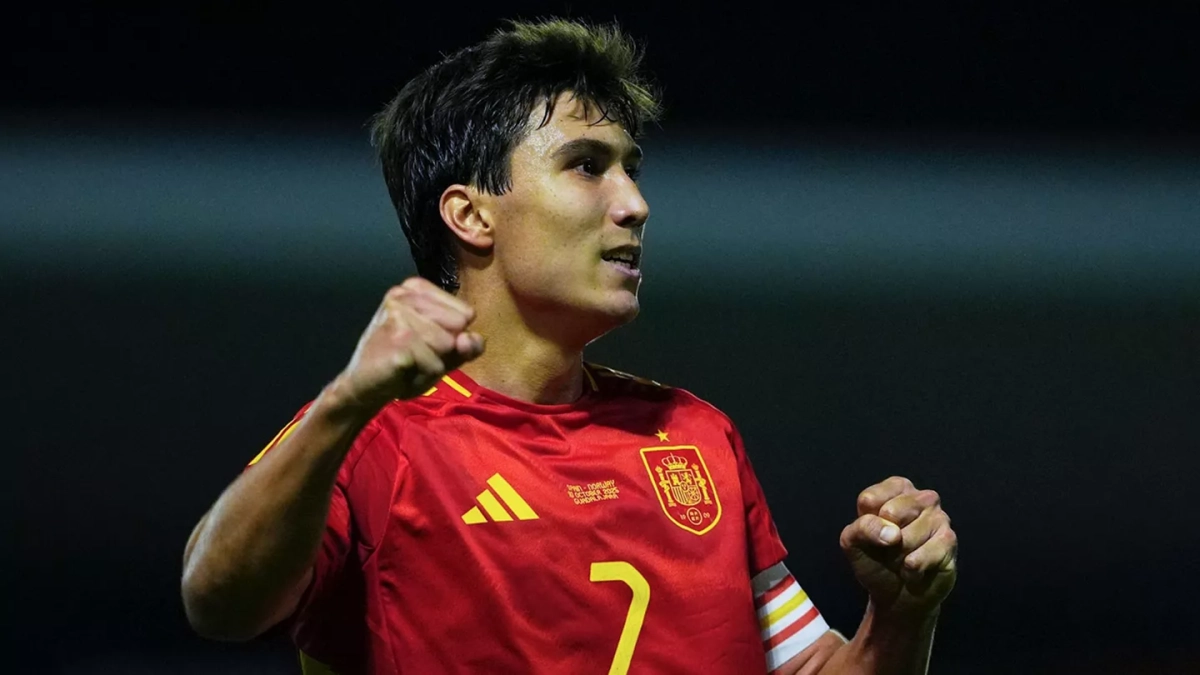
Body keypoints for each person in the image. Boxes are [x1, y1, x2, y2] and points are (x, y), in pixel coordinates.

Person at [180, 18, 958, 675]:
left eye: (631, 170)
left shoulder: (695, 435)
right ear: (470, 216)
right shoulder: (371, 439)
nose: (635, 204)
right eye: (586, 166)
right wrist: (346, 399)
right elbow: (216, 601)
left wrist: (900, 615)